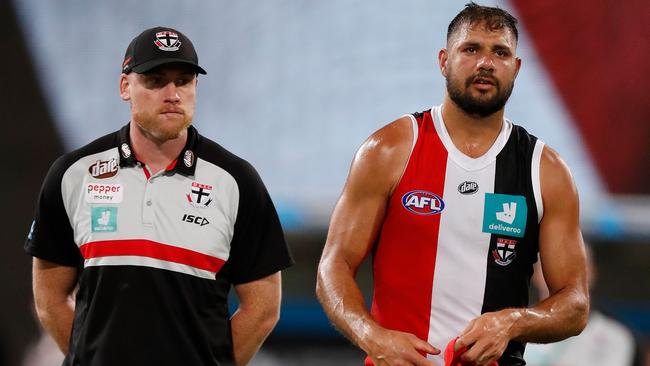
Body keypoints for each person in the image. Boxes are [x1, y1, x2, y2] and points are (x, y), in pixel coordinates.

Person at [316, 3, 589, 366]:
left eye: (501, 52)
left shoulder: (547, 171)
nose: (486, 63)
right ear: (444, 60)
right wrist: (373, 338)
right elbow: (332, 267)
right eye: (471, 49)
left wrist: (513, 322)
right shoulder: (390, 149)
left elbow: (575, 302)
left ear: (516, 68)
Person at [25, 26, 293, 366]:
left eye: (183, 80)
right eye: (155, 80)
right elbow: (49, 297)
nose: (172, 93)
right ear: (125, 86)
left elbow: (264, 308)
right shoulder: (73, 173)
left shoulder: (237, 181)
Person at [525, 245, 638, 366]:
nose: (564, 273)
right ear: (536, 274)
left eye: (575, 265)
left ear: (592, 273)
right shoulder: (513, 330)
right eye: (553, 264)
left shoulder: (616, 338)